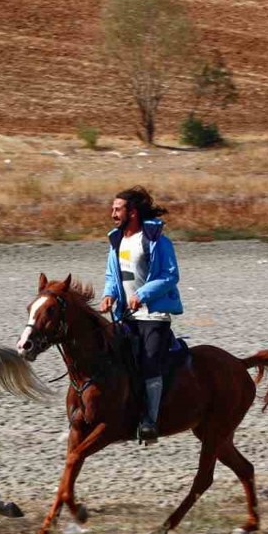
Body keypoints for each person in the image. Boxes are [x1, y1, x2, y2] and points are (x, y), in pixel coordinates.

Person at [98, 187, 183, 442]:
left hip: (153, 316)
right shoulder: (117, 240)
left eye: (117, 209)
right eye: (112, 209)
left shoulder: (157, 241)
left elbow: (170, 276)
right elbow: (113, 276)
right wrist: (108, 295)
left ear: (132, 212)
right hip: (127, 316)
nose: (112, 213)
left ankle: (150, 421)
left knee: (149, 364)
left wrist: (143, 294)